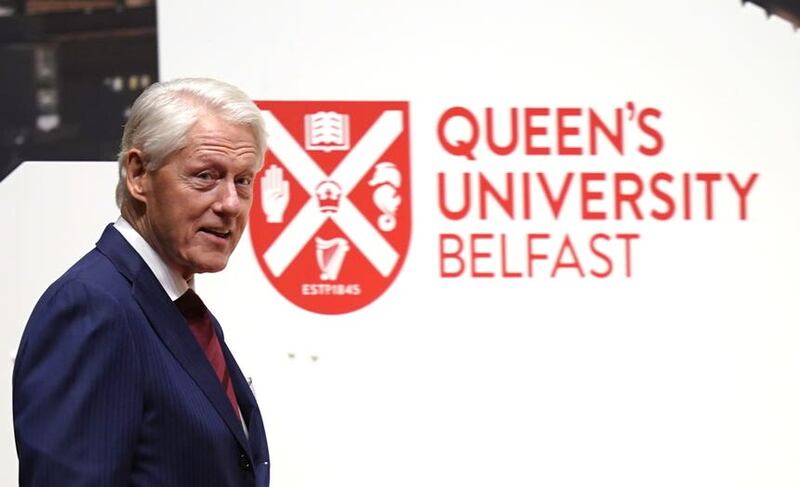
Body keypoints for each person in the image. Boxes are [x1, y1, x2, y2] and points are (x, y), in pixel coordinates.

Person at [12, 78, 270, 486]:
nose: (230, 204)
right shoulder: (93, 308)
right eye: (206, 175)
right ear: (137, 174)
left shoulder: (173, 303)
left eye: (243, 180)